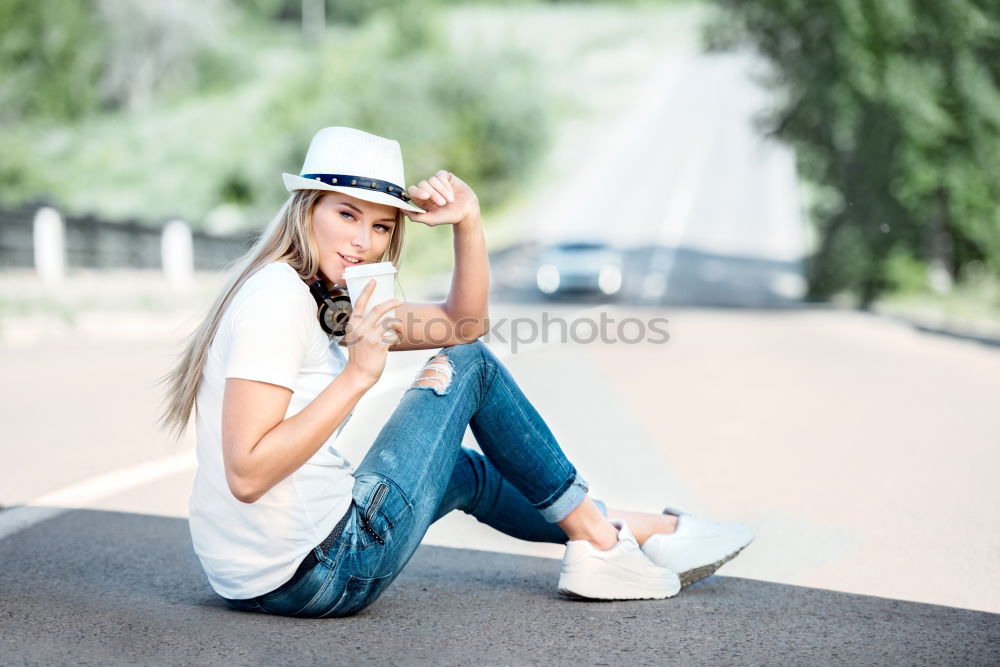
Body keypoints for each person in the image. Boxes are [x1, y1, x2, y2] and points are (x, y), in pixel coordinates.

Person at [160, 127, 753, 618]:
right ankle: (604, 542)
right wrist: (358, 376)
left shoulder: (322, 298)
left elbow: (463, 323)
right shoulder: (277, 301)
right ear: (306, 209)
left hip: (254, 575)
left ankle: (647, 534)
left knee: (465, 468)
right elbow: (247, 474)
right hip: (317, 569)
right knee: (468, 371)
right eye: (347, 214)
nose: (363, 243)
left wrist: (468, 223)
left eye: (382, 226)